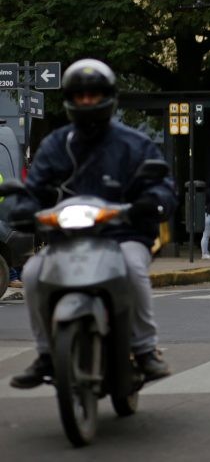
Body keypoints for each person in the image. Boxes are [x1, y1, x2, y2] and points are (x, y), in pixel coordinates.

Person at [9, 58, 176, 389]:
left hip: (124, 234)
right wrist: (24, 209)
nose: (87, 101)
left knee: (132, 268)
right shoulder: (57, 144)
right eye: (80, 95)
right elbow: (35, 188)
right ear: (70, 99)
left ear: (109, 97)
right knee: (31, 274)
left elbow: (162, 185)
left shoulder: (134, 143)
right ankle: (45, 353)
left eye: (94, 94)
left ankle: (144, 350)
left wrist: (151, 201)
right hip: (67, 237)